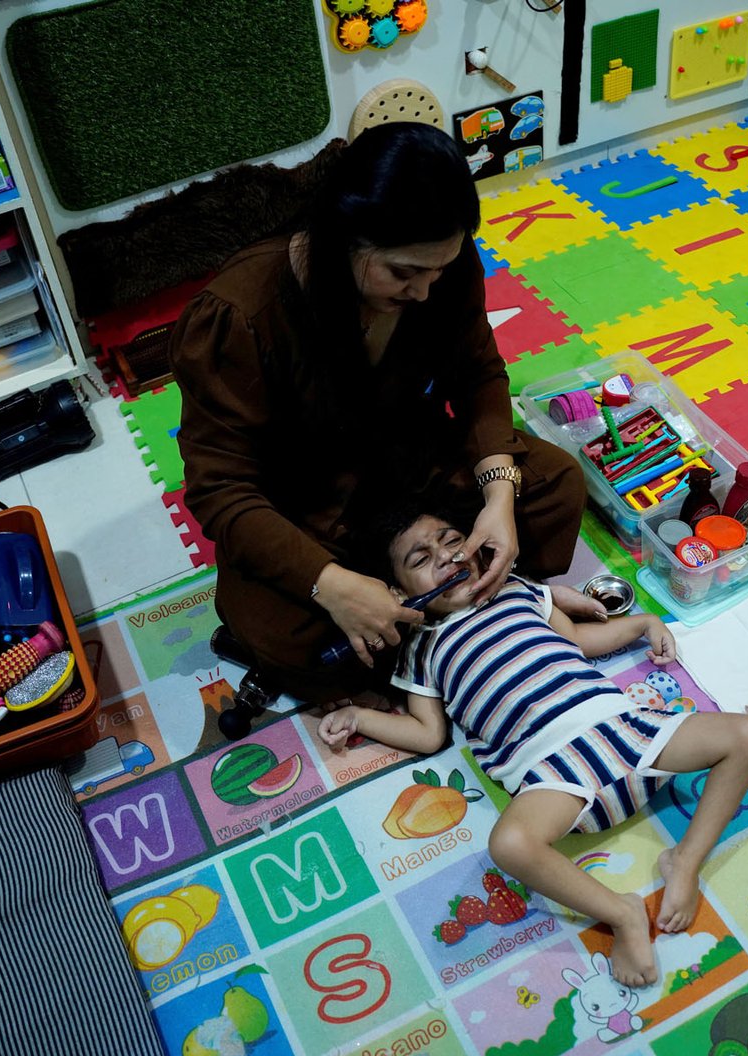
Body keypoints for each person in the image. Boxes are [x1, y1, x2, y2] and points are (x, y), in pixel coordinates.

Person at [169, 121, 592, 707]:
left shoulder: (439, 263)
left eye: (436, 271)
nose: (423, 293)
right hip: (304, 499)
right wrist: (331, 585)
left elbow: (477, 372)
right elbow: (221, 490)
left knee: (555, 486)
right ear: (342, 238)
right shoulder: (240, 314)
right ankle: (456, 617)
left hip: (408, 457)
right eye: (403, 273)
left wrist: (498, 495)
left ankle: (452, 621)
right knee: (288, 635)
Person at [317, 499, 748, 987]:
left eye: (452, 541)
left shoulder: (516, 591)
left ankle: (685, 860)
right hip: (552, 775)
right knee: (509, 844)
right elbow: (427, 734)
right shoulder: (421, 649)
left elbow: (579, 640)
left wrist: (643, 625)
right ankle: (621, 913)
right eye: (422, 559)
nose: (447, 557)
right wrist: (359, 716)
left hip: (624, 731)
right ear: (397, 593)